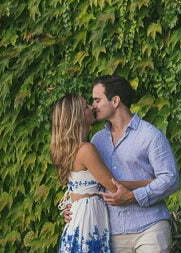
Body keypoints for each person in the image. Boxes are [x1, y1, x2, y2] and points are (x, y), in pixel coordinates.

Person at [63, 76, 180, 252]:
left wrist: (133, 196)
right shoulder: (96, 140)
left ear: (115, 101)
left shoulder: (150, 135)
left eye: (97, 100)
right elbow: (89, 183)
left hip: (150, 227)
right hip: (112, 233)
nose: (93, 106)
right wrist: (73, 206)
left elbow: (171, 179)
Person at [51, 94, 153, 253]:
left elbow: (78, 187)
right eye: (86, 106)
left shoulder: (66, 150)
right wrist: (149, 182)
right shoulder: (86, 149)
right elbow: (113, 185)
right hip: (88, 221)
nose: (91, 107)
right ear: (77, 116)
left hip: (80, 217)